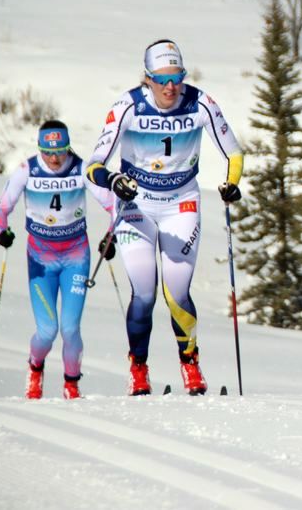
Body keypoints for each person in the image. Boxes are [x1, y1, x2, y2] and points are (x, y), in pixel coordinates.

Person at [86, 39, 244, 396]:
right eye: (162, 79)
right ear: (147, 79)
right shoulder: (127, 107)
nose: (171, 87)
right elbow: (93, 165)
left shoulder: (201, 102)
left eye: (177, 77)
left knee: (177, 292)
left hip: (181, 205)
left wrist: (232, 183)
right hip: (136, 207)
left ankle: (190, 363)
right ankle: (138, 368)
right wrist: (113, 180)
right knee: (143, 293)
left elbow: (234, 153)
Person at [0, 120, 113, 399]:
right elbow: (0, 209)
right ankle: (35, 368)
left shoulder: (81, 169)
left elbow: (112, 204)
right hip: (41, 261)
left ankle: (71, 384)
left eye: (61, 151)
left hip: (75, 257)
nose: (55, 158)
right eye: (48, 152)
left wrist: (110, 234)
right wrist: (3, 231)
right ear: (40, 148)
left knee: (70, 329)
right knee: (47, 331)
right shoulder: (27, 170)